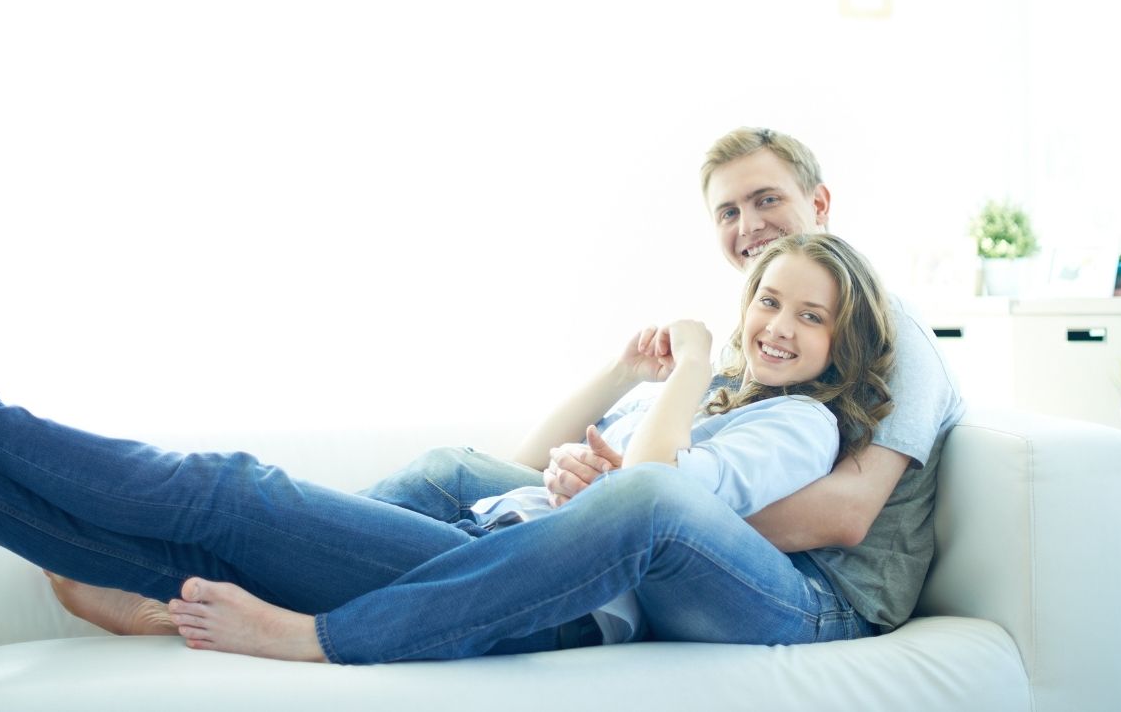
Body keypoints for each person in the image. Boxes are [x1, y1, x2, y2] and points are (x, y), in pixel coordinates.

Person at [0, 231, 895, 662]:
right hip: (493, 539)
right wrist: (631, 374)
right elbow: (527, 457)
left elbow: (656, 496)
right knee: (227, 516)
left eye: (808, 317)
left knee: (232, 496)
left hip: (544, 599)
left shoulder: (796, 421)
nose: (779, 326)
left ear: (838, 343)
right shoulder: (698, 399)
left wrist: (700, 352)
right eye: (768, 302)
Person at [362, 127, 965, 638]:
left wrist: (625, 515)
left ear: (820, 202)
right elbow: (539, 465)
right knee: (453, 474)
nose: (749, 225)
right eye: (728, 212)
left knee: (537, 532)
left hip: (821, 590)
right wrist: (621, 389)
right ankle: (306, 575)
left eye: (766, 199)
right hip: (695, 543)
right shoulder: (756, 345)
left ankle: (321, 609)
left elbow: (845, 517)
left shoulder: (892, 333)